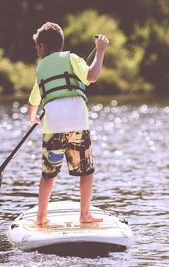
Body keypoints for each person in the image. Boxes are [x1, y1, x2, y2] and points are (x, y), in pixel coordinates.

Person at [27, 22, 109, 225]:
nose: (37, 50)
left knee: (48, 174)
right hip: (78, 125)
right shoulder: (72, 58)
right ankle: (85, 215)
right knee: (86, 172)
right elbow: (93, 76)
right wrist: (100, 51)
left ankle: (41, 217)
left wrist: (33, 117)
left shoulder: (41, 68)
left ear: (43, 46)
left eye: (37, 47)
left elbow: (34, 100)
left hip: (53, 127)